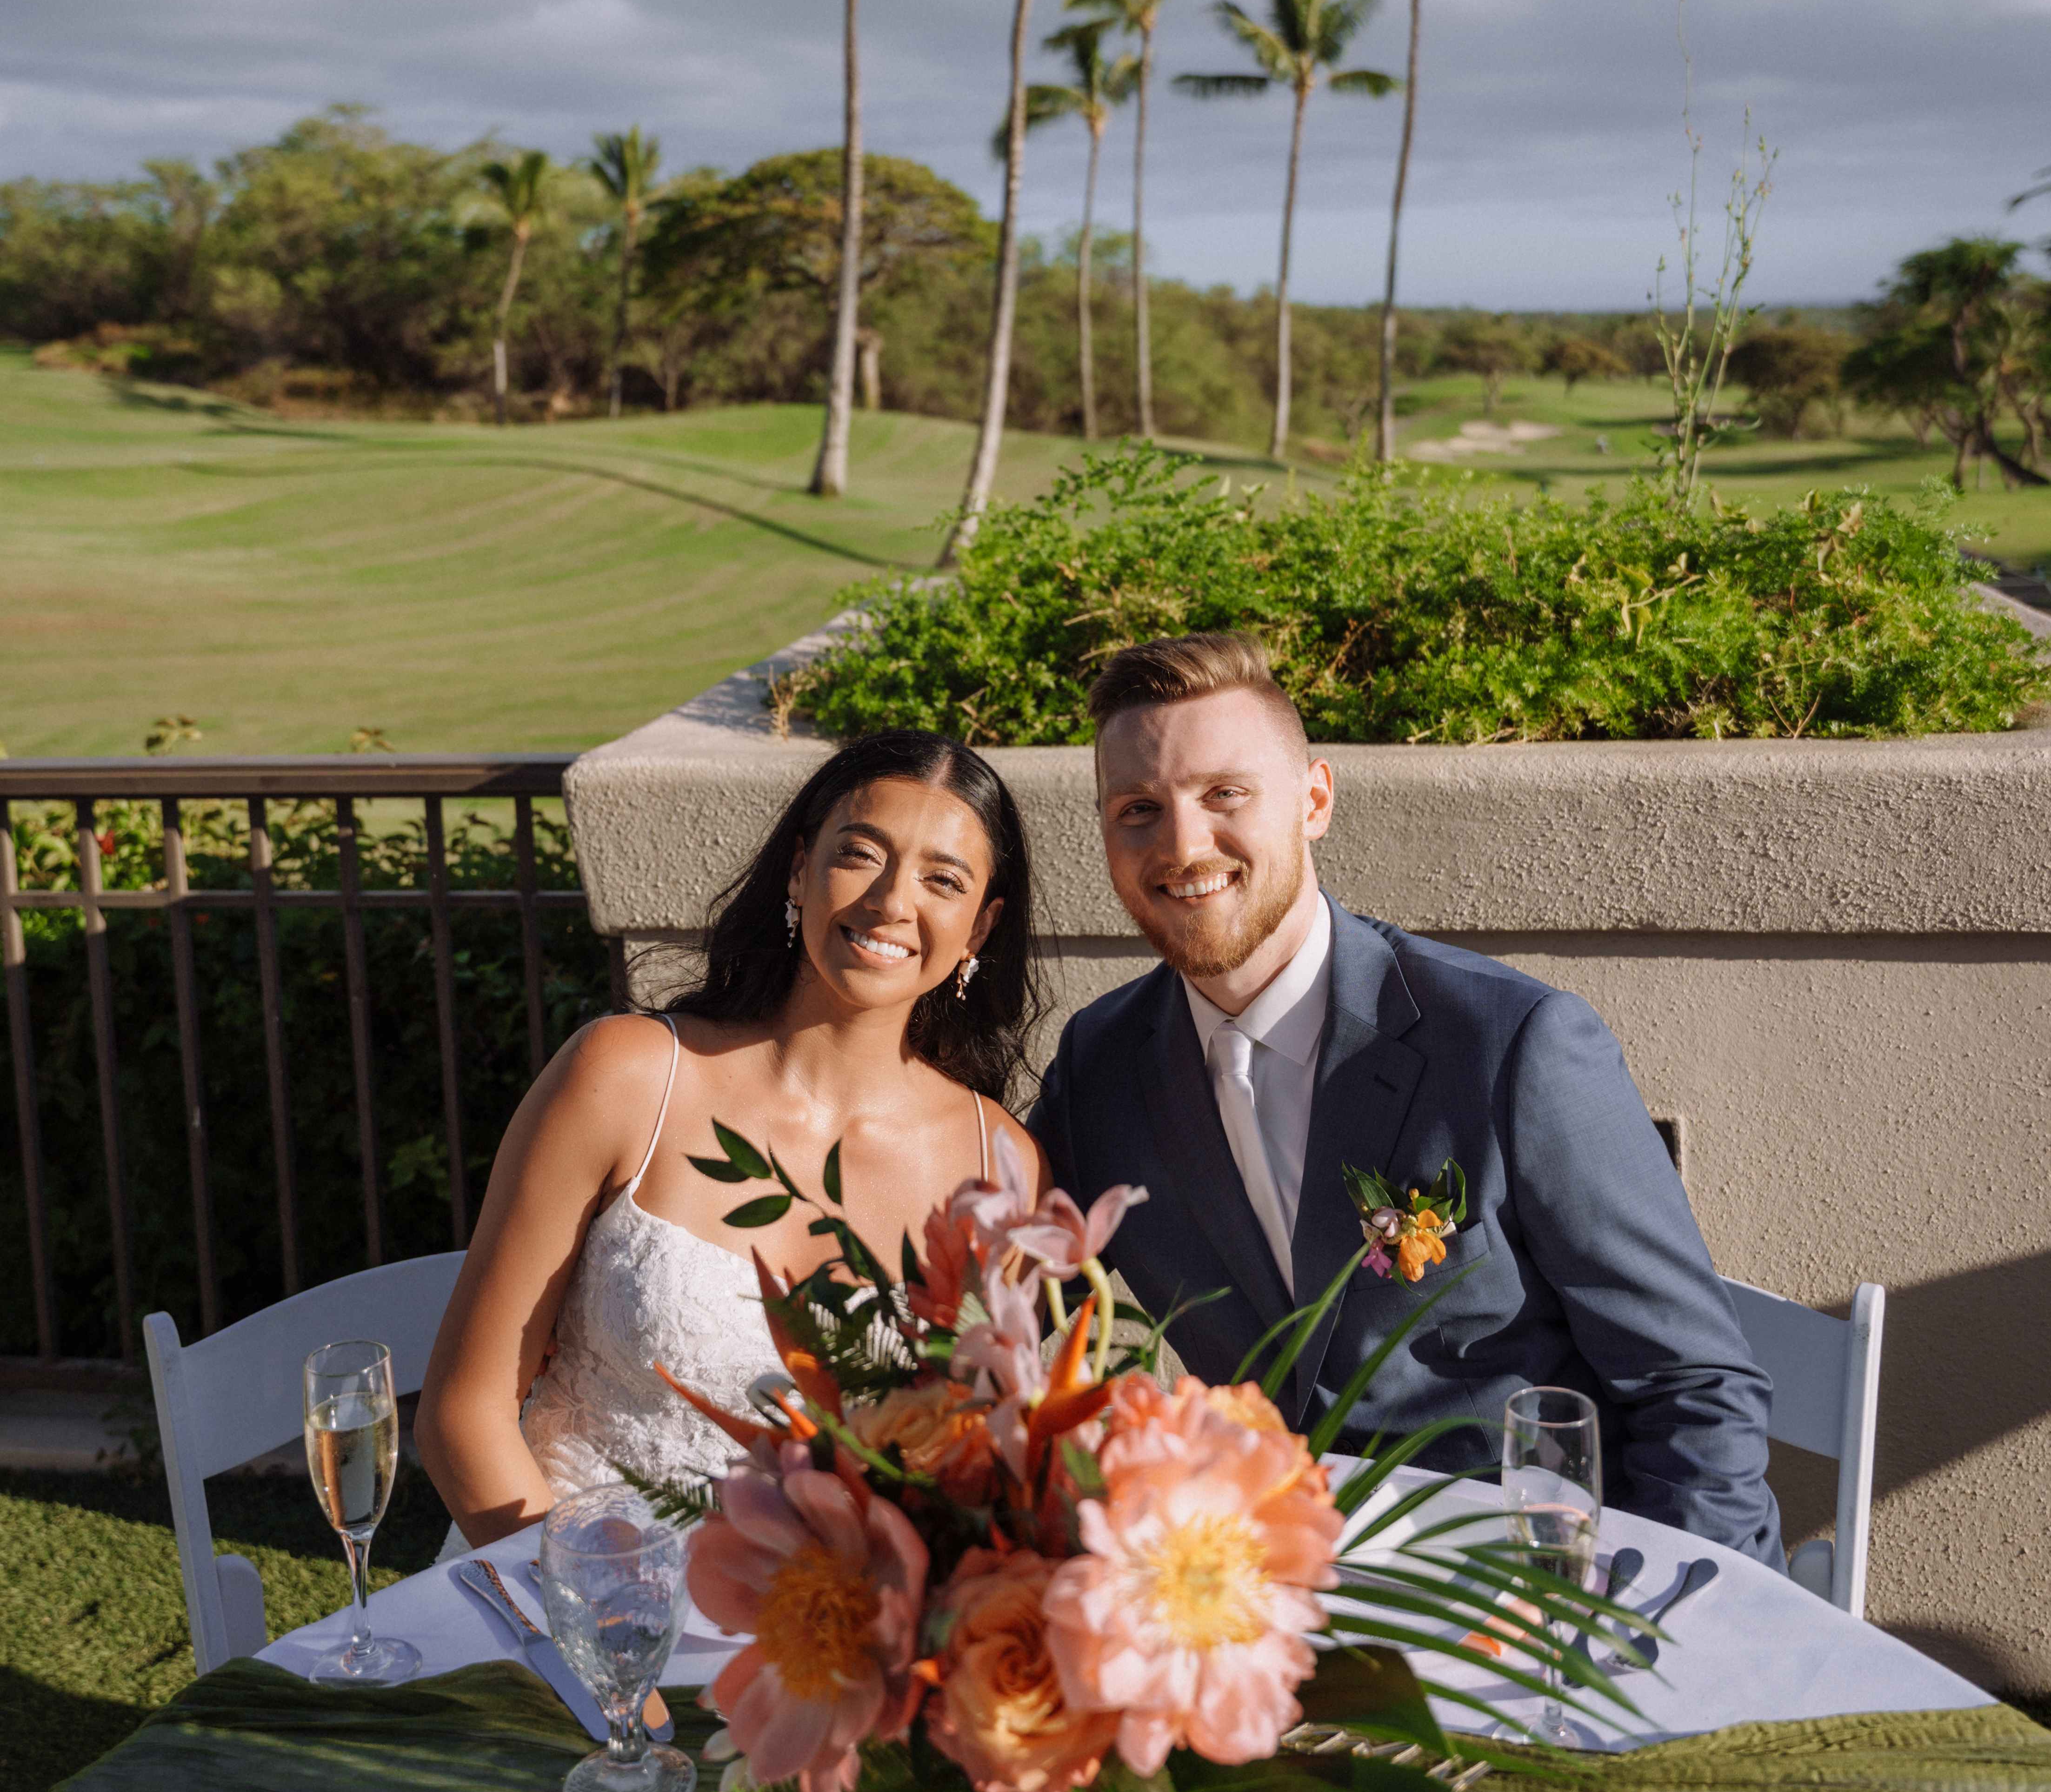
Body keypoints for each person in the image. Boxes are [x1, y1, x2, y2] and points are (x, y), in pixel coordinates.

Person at [1029, 631, 1783, 1561]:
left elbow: (1694, 1389)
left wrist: (1667, 1638)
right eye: (1138, 809)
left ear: (1314, 799)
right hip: (1274, 1605)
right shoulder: (1098, 1068)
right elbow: (1012, 1317)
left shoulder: (1513, 1046)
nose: (1184, 845)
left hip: (1545, 1595)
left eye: (1225, 793)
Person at [417, 730, 1045, 1551]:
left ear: (979, 927)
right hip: (546, 1598)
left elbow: (961, 1475)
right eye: (860, 854)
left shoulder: (998, 1170)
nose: (893, 902)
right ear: (798, 871)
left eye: (943, 879)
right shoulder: (629, 1076)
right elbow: (465, 1413)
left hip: (813, 1643)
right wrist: (594, 1632)